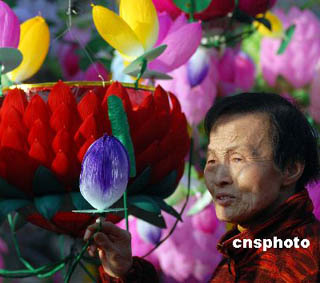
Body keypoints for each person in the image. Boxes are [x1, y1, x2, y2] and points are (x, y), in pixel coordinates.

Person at [84, 92, 320, 282]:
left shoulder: (301, 262)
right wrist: (125, 271)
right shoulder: (248, 246)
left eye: (237, 159)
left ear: (290, 169)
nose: (219, 178)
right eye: (212, 161)